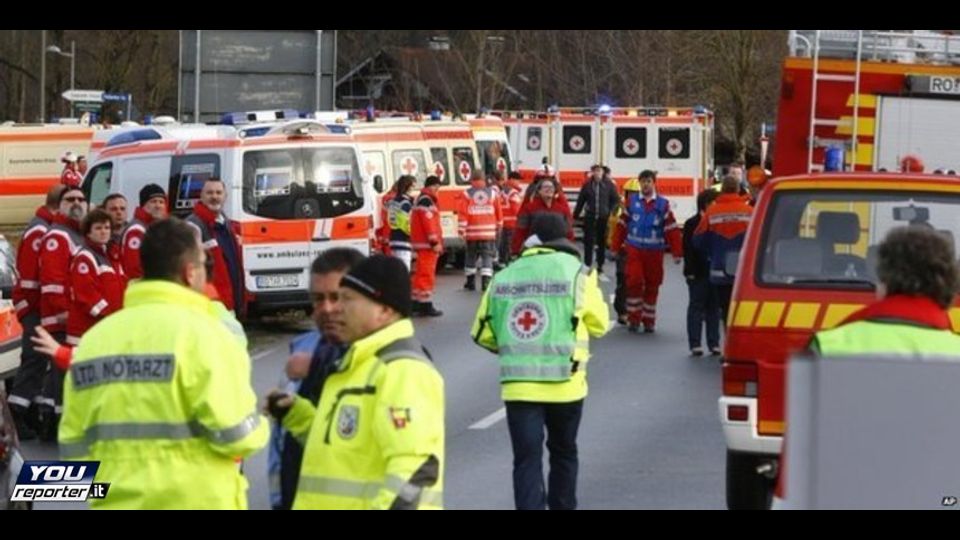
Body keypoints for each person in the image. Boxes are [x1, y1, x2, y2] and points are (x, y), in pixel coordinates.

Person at [58, 217, 269, 509]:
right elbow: (237, 437)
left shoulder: (94, 341)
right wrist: (262, 423)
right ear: (190, 273)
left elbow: (73, 447)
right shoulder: (209, 335)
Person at [267, 255, 445, 509]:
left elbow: (415, 472)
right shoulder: (357, 363)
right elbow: (343, 448)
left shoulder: (402, 370)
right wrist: (296, 415)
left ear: (384, 310)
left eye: (347, 299)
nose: (336, 308)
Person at [471, 213, 609, 510]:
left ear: (533, 239)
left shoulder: (505, 275)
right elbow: (599, 325)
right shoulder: (580, 274)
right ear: (565, 238)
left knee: (526, 460)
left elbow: (482, 333)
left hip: (519, 388)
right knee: (564, 453)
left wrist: (515, 345)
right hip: (566, 385)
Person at [268, 248, 364, 510]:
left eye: (336, 297)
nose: (326, 308)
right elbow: (282, 442)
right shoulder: (302, 350)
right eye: (318, 299)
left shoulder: (383, 358)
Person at [7, 184, 64, 439]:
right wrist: (36, 309)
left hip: (38, 307)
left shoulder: (45, 227)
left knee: (40, 363)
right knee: (34, 361)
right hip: (35, 307)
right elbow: (30, 278)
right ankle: (16, 414)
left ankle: (29, 413)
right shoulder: (40, 231)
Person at [610, 170, 682, 333]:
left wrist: (677, 252)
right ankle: (633, 318)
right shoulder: (632, 202)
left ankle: (649, 320)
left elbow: (671, 229)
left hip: (654, 252)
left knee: (652, 285)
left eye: (648, 181)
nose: (645, 184)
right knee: (634, 282)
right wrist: (615, 247)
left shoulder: (662, 205)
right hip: (634, 249)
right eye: (643, 181)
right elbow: (621, 226)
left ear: (654, 183)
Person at [693, 175, 753, 337]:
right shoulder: (749, 212)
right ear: (738, 190)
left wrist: (712, 252)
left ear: (722, 190)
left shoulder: (712, 212)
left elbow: (698, 240)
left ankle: (729, 339)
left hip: (719, 270)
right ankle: (741, 339)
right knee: (742, 310)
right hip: (744, 271)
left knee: (725, 308)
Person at [65, 209, 126, 347]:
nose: (104, 232)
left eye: (107, 228)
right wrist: (110, 315)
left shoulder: (111, 257)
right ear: (88, 232)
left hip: (104, 330)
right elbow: (86, 295)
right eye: (98, 228)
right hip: (86, 332)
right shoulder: (84, 257)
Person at [186, 177, 244, 314]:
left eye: (218, 193)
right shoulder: (193, 226)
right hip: (210, 304)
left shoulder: (226, 224)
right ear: (201, 196)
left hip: (230, 301)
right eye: (209, 193)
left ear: (225, 196)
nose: (214, 197)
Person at [683, 190, 720, 356]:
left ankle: (714, 343)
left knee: (714, 308)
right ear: (705, 204)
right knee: (696, 307)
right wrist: (689, 270)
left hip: (716, 271)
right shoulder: (692, 223)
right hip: (698, 272)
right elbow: (688, 249)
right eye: (714, 202)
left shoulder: (718, 221)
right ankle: (695, 344)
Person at [459, 171, 502, 291]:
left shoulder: (466, 194)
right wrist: (499, 226)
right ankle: (486, 282)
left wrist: (461, 230)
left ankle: (470, 282)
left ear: (472, 180)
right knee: (487, 257)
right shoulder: (492, 193)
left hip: (472, 233)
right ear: (484, 180)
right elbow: (498, 211)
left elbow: (463, 214)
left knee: (471, 256)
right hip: (488, 233)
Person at [511, 175, 574, 257]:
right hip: (536, 250)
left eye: (551, 187)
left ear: (555, 191)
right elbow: (520, 230)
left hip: (558, 250)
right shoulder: (528, 208)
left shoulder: (563, 209)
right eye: (545, 187)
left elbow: (569, 231)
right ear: (539, 191)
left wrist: (570, 248)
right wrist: (515, 251)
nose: (549, 189)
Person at [573, 164, 620, 274]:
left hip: (603, 218)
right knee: (588, 241)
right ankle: (587, 264)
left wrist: (611, 211)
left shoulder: (609, 185)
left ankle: (600, 265)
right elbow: (581, 201)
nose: (597, 173)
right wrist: (575, 215)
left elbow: (615, 200)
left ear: (603, 172)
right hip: (590, 217)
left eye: (599, 171)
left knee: (601, 242)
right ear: (592, 172)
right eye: (595, 171)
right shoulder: (587, 185)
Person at [410, 175, 444, 316]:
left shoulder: (421, 199)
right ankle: (425, 304)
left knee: (419, 274)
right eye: (436, 187)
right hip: (427, 245)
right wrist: (434, 242)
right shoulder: (427, 201)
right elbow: (429, 224)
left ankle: (415, 303)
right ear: (431, 186)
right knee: (426, 274)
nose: (437, 190)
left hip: (421, 243)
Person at [121, 184, 167, 280]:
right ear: (143, 205)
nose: (158, 206)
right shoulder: (136, 230)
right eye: (153, 201)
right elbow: (134, 267)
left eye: (161, 202)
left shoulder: (153, 228)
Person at [386, 175, 416, 271]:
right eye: (413, 186)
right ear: (408, 187)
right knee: (404, 270)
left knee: (396, 270)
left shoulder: (394, 201)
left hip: (394, 237)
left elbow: (389, 219)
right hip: (403, 239)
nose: (413, 189)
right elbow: (407, 222)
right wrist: (412, 235)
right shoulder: (405, 203)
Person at [497, 171, 525, 268]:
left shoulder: (502, 191)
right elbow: (517, 209)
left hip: (503, 223)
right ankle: (508, 262)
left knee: (503, 244)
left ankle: (502, 261)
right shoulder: (513, 193)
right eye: (518, 180)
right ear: (511, 180)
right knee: (510, 245)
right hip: (512, 223)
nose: (519, 183)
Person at [101, 193, 128, 265]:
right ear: (104, 211)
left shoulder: (133, 234)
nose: (119, 212)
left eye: (122, 209)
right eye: (114, 209)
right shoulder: (98, 237)